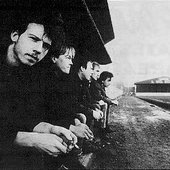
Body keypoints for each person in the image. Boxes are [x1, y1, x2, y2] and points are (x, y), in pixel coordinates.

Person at [0, 10, 77, 169]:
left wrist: (52, 129)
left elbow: (26, 119)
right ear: (15, 35)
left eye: (46, 46)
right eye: (33, 39)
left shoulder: (32, 74)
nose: (39, 50)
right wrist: (33, 140)